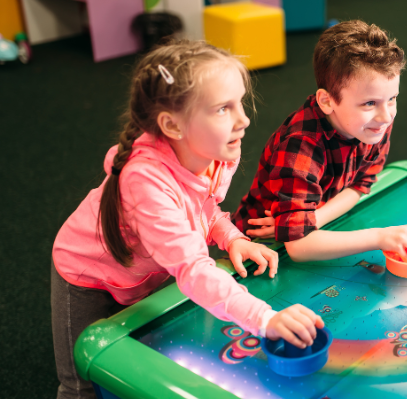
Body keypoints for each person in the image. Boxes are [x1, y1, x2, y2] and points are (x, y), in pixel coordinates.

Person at [51, 41, 322, 399]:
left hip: (150, 268)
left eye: (240, 101)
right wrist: (264, 318)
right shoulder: (144, 181)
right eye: (223, 108)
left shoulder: (214, 147)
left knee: (147, 359)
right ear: (172, 125)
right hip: (89, 276)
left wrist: (232, 238)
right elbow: (193, 269)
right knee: (84, 378)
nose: (244, 119)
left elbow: (202, 207)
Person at [232, 20, 407, 262]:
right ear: (326, 101)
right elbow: (298, 246)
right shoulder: (300, 145)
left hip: (313, 226)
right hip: (256, 248)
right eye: (369, 103)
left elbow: (361, 184)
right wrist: (379, 237)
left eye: (392, 98)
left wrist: (311, 220)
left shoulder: (374, 123)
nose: (386, 116)